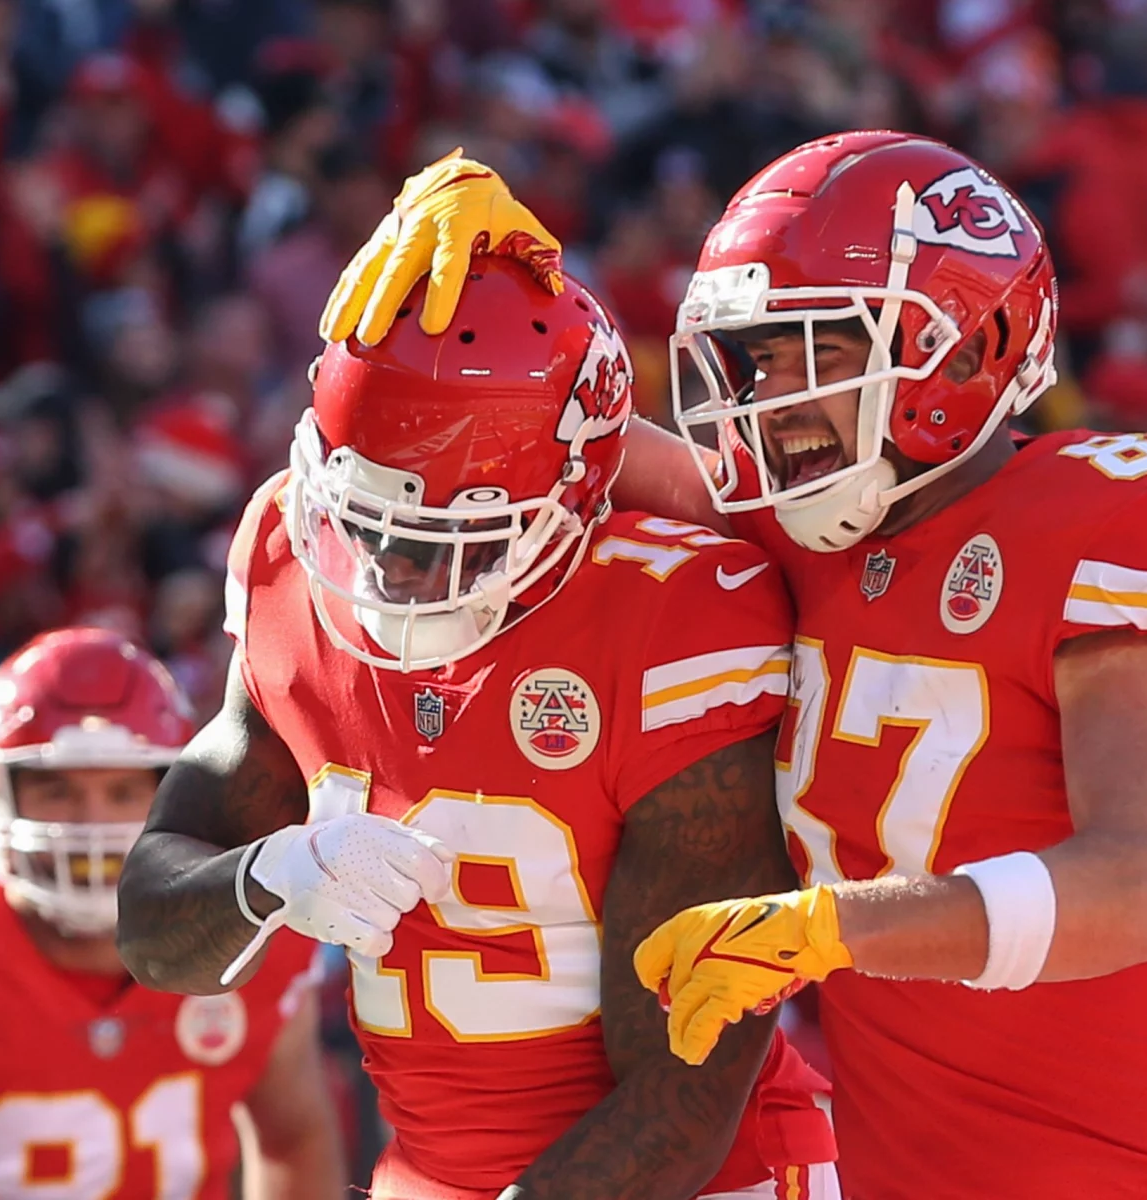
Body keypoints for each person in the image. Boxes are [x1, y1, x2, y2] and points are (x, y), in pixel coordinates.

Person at [321, 133, 1147, 1198]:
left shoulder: (1117, 514)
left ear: (967, 348)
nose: (770, 399)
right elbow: (547, 445)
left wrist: (830, 928)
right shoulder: (808, 537)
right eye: (754, 359)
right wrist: (483, 289)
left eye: (817, 351)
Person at [114, 254, 837, 1199]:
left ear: (577, 494)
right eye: (367, 523)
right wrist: (266, 878)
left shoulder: (673, 613)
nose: (389, 573)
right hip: (432, 1172)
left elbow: (681, 1094)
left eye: (442, 539)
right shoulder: (294, 554)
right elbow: (150, 932)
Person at [0, 626, 342, 1200]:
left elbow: (294, 1142)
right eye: (57, 790)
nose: (92, 825)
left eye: (121, 793)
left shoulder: (250, 939)